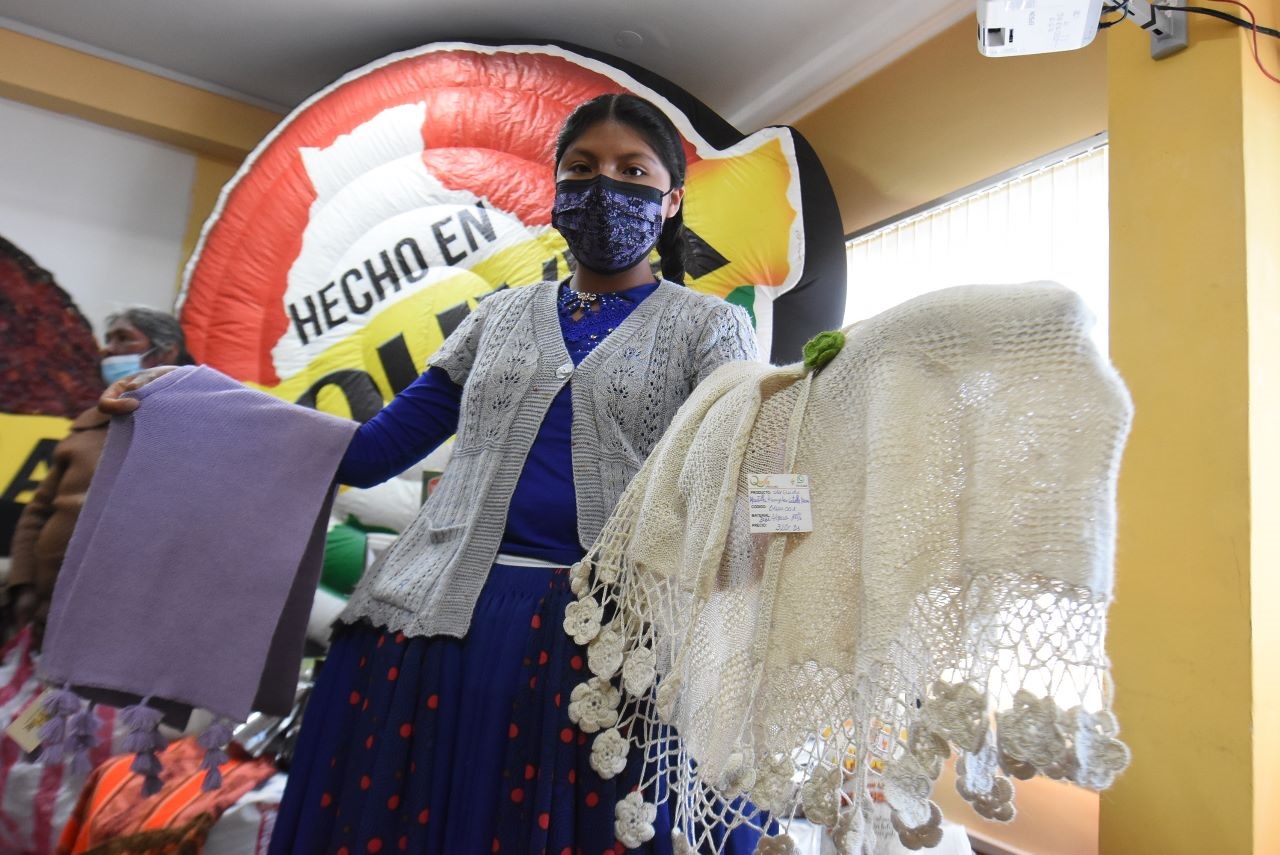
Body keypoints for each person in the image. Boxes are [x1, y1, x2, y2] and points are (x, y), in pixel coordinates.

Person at [101, 94, 760, 854]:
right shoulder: (496, 318)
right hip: (435, 630)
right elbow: (369, 452)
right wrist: (193, 398)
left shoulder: (712, 327)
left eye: (632, 170)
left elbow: (736, 475)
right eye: (581, 168)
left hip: (605, 645)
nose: (603, 185)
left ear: (671, 201)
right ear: (555, 190)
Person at [7, 308, 193, 647]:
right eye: (109, 339)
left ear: (166, 353)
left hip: (120, 620)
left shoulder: (188, 426)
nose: (109, 349)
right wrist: (23, 584)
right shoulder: (88, 423)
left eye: (124, 338)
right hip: (47, 609)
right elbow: (37, 513)